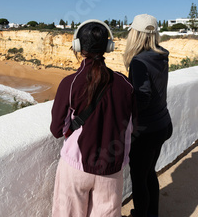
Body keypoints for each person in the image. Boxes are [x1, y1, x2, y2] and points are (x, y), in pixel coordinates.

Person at [50, 19, 135, 217]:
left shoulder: (69, 84)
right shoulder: (125, 85)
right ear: (109, 47)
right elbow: (132, 125)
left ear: (78, 47)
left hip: (76, 168)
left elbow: (56, 130)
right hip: (111, 171)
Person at [123, 14, 173, 217]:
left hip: (146, 131)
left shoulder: (139, 61)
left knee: (139, 179)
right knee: (149, 172)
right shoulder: (161, 54)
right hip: (162, 124)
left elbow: (142, 96)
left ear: (134, 34)